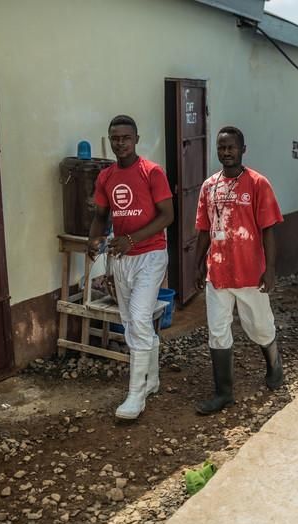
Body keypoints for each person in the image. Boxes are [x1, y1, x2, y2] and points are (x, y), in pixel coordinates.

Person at [87, 115, 174, 420]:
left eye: (125, 137)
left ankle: (135, 396)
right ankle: (151, 380)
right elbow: (100, 215)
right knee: (131, 320)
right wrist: (93, 240)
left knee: (138, 316)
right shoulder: (106, 177)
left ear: (136, 139)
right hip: (121, 259)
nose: (120, 143)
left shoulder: (152, 172)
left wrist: (130, 239)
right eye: (114, 138)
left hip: (150, 254)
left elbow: (167, 216)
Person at [194, 126, 284, 415]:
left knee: (259, 326)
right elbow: (204, 230)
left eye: (231, 147)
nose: (226, 152)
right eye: (222, 148)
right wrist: (197, 265)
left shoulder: (258, 183)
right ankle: (223, 392)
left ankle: (273, 363)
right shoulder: (209, 186)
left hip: (250, 273)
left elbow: (268, 230)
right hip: (218, 274)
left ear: (243, 149)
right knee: (218, 332)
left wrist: (269, 270)